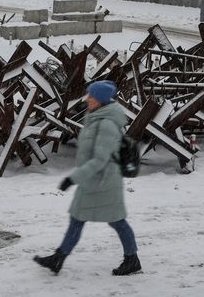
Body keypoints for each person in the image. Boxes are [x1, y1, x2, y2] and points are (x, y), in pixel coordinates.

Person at [33, 80, 141, 276]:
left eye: (91, 96)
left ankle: (132, 260)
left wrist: (73, 178)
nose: (87, 98)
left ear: (100, 100)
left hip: (104, 181)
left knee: (117, 221)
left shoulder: (107, 124)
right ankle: (58, 259)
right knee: (77, 219)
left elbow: (100, 159)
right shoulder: (95, 117)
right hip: (92, 180)